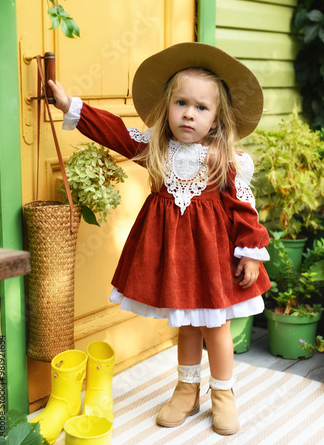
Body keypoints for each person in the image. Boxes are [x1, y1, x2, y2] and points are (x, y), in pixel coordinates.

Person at [48, 42, 271, 436]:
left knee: (215, 326)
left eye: (201, 108)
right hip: (175, 257)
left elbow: (244, 207)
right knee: (185, 324)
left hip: (212, 257)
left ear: (217, 120)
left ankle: (223, 393)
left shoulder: (225, 159)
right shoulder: (156, 146)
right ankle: (187, 389)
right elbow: (114, 131)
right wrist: (71, 106)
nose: (189, 113)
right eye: (181, 103)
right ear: (167, 108)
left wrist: (250, 252)